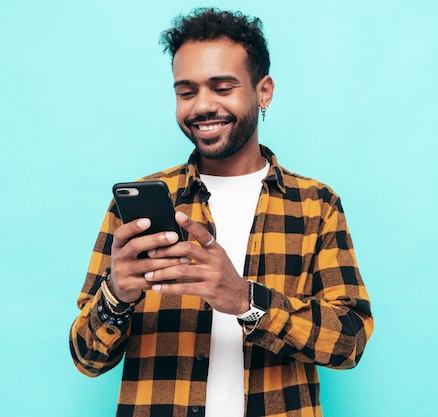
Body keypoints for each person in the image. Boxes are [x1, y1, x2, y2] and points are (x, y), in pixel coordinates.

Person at [69, 7, 373, 417]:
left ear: (263, 91)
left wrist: (246, 299)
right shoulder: (135, 209)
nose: (201, 107)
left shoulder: (315, 205)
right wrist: (117, 297)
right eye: (186, 91)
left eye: (222, 88)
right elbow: (87, 359)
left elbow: (349, 342)